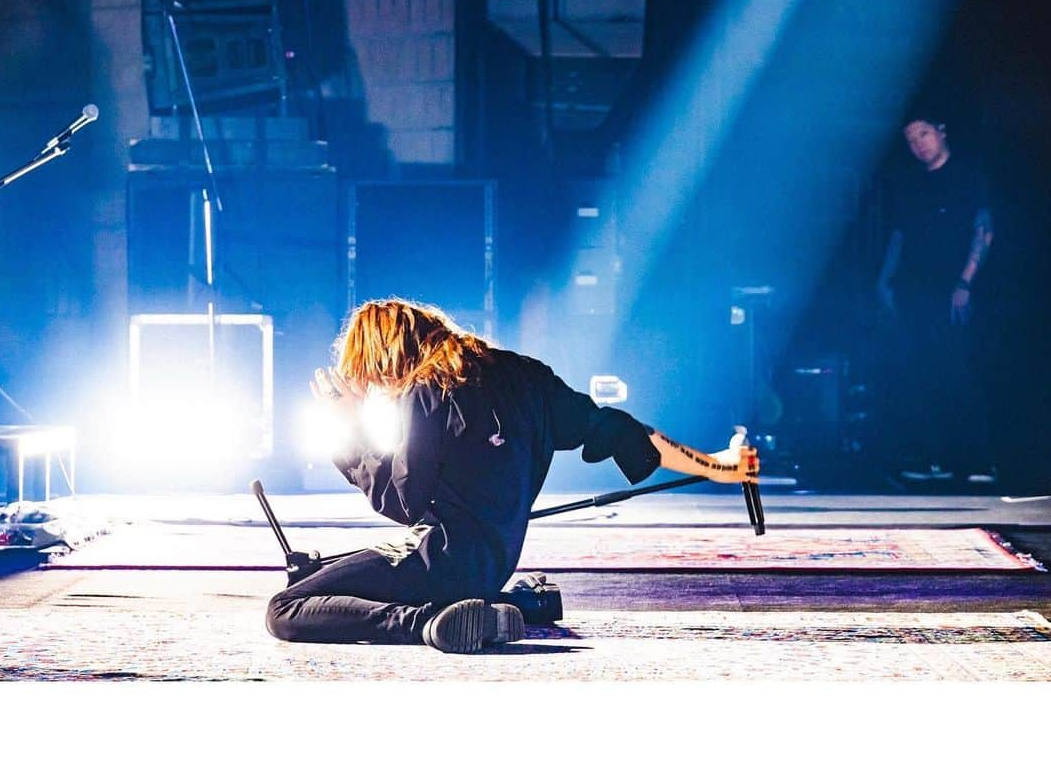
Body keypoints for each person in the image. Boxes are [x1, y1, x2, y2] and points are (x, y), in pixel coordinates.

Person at [265, 299, 759, 654]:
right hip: (496, 560)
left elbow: (402, 502)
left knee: (288, 607)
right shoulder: (527, 376)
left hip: (445, 562)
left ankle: (428, 623)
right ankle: (522, 604)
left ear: (384, 354)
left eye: (373, 377)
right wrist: (720, 465)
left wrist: (349, 436)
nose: (379, 389)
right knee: (320, 576)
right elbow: (621, 432)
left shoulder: (427, 388)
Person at [876, 117, 995, 484]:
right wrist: (884, 281)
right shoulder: (910, 185)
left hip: (952, 289)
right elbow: (899, 236)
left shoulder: (967, 178)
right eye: (911, 139)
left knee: (956, 370)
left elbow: (984, 232)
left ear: (942, 131)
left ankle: (976, 460)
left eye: (924, 134)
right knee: (921, 373)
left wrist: (965, 283)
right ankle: (936, 458)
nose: (919, 144)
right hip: (914, 290)